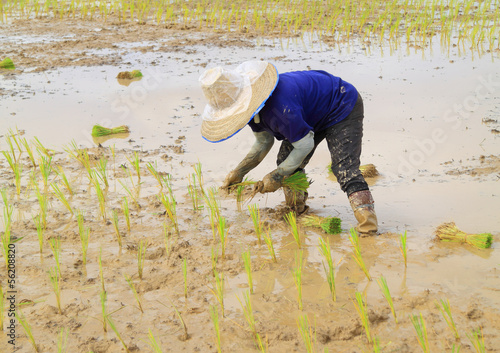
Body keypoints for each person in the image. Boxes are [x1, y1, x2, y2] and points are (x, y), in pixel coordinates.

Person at [198, 61, 378, 235]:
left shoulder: (280, 108)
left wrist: (277, 176)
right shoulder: (253, 111)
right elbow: (263, 143)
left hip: (341, 104)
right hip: (311, 113)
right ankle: (297, 211)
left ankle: (368, 227)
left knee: (344, 169)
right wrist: (239, 172)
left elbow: (304, 144)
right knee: (285, 161)